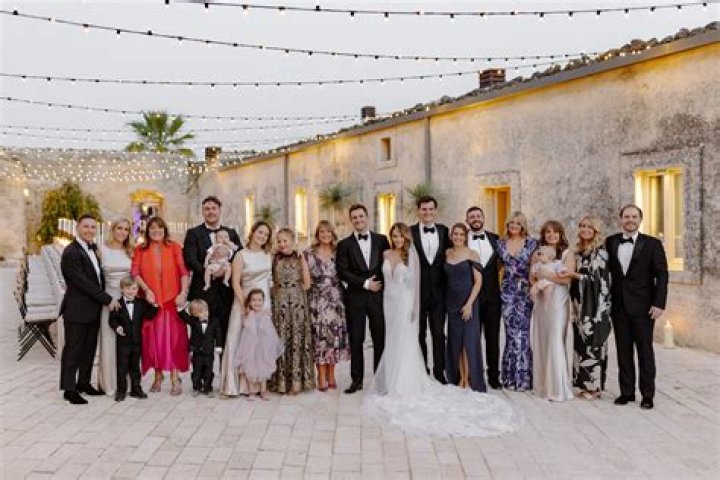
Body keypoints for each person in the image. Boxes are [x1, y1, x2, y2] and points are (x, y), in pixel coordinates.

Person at [363, 221, 519, 437]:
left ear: (406, 238)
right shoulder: (386, 254)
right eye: (395, 235)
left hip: (406, 302)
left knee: (410, 340)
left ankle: (408, 381)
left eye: (401, 236)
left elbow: (416, 284)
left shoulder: (411, 255)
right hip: (388, 303)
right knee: (392, 340)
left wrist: (415, 309)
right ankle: (391, 380)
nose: (398, 239)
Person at [606, 205, 668, 410]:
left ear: (640, 220)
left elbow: (662, 275)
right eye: (626, 216)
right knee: (623, 351)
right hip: (618, 306)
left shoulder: (652, 244)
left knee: (645, 351)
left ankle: (647, 395)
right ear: (620, 219)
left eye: (634, 216)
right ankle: (627, 392)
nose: (630, 220)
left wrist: (659, 303)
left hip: (644, 307)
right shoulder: (611, 241)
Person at [59, 214, 119, 405]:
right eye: (86, 226)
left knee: (89, 348)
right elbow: (83, 283)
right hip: (77, 309)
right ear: (77, 228)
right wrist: (107, 299)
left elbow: (98, 278)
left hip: (93, 309)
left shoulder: (92, 249)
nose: (90, 230)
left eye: (93, 227)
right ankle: (69, 389)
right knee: (73, 349)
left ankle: (84, 383)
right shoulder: (71, 252)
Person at [132, 216, 190, 396]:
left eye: (160, 228)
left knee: (173, 339)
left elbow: (184, 272)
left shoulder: (174, 247)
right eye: (152, 228)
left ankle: (175, 377)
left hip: (172, 300)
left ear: (165, 230)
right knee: (154, 340)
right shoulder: (140, 249)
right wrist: (146, 290)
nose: (156, 231)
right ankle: (158, 376)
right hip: (152, 301)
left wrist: (183, 293)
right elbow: (135, 272)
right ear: (147, 231)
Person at [336, 204, 390, 394]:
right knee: (356, 340)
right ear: (351, 220)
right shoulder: (344, 244)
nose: (358, 220)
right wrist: (365, 284)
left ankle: (380, 380)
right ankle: (356, 380)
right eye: (355, 217)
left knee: (380, 338)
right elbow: (342, 271)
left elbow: (387, 265)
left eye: (361, 216)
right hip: (355, 298)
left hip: (377, 297)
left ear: (367, 217)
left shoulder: (382, 240)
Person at [559, 215, 611, 399]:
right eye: (582, 226)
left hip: (595, 306)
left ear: (596, 231)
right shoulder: (578, 251)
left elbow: (599, 281)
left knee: (593, 343)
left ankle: (594, 387)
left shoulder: (600, 252)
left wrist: (574, 275)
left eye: (589, 227)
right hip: (579, 304)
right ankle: (582, 384)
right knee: (580, 343)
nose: (585, 229)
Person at [219, 221, 273, 398]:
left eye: (266, 235)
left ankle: (257, 385)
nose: (262, 236)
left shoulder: (268, 255)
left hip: (263, 303)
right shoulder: (241, 255)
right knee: (236, 340)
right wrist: (245, 305)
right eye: (260, 232)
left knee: (259, 345)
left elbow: (270, 280)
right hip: (243, 301)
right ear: (253, 232)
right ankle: (232, 385)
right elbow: (235, 282)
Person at [183, 196, 242, 347]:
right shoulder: (193, 233)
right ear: (203, 212)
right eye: (207, 209)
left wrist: (224, 271)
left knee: (226, 333)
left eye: (214, 208)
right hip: (202, 291)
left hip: (226, 291)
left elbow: (240, 256)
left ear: (220, 210)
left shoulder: (231, 233)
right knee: (202, 336)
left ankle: (224, 362)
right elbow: (190, 259)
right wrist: (209, 272)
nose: (210, 212)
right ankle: (203, 362)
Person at [530, 221, 575, 402]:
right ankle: (542, 386)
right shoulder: (537, 253)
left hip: (558, 302)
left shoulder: (567, 254)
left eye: (555, 232)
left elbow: (567, 279)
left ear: (561, 234)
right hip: (541, 302)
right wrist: (538, 285)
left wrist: (546, 275)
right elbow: (532, 277)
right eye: (547, 232)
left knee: (555, 340)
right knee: (542, 340)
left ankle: (557, 388)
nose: (551, 235)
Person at [304, 221, 349, 392]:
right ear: (317, 234)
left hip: (335, 301)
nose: (325, 235)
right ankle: (321, 375)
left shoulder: (339, 252)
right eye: (322, 232)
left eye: (328, 232)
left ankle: (331, 374)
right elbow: (304, 278)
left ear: (332, 234)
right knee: (319, 338)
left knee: (333, 338)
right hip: (316, 301)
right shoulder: (308, 253)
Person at [410, 196, 450, 384]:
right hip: (417, 292)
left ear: (435, 210)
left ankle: (439, 371)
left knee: (438, 333)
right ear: (418, 211)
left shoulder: (444, 231)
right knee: (418, 334)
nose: (427, 212)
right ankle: (421, 369)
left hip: (439, 292)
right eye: (424, 209)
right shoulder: (410, 232)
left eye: (430, 209)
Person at [269, 228, 314, 394]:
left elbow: (307, 283)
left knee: (296, 339)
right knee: (281, 338)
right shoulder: (274, 258)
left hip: (297, 304)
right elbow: (271, 280)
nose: (282, 244)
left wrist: (294, 292)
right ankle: (281, 382)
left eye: (285, 240)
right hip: (279, 303)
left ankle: (296, 383)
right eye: (279, 241)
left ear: (293, 241)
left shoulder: (300, 257)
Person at [496, 211, 537, 391]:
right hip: (507, 292)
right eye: (511, 223)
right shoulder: (500, 243)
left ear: (523, 226)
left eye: (518, 223)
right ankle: (509, 377)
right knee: (510, 334)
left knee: (523, 334)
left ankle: (524, 378)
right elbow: (497, 266)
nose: (514, 226)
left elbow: (535, 267)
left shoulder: (532, 243)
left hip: (524, 291)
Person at [444, 223, 486, 392]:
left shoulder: (472, 254)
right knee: (456, 342)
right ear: (451, 236)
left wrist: (469, 304)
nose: (458, 237)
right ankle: (459, 377)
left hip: (468, 302)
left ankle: (469, 379)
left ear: (465, 236)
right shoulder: (447, 253)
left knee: (468, 342)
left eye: (461, 234)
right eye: (455, 234)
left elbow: (478, 282)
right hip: (452, 303)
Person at [466, 206, 503, 389]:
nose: (476, 219)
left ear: (483, 218)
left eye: (478, 216)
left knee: (493, 339)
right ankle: (473, 375)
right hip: (470, 297)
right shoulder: (461, 240)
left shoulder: (496, 239)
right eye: (472, 217)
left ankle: (494, 376)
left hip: (493, 298)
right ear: (467, 221)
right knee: (472, 338)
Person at [97, 217, 133, 398]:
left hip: (127, 300)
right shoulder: (100, 249)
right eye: (119, 228)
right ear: (113, 229)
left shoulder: (131, 251)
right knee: (109, 340)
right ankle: (109, 383)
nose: (122, 232)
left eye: (126, 229)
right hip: (108, 301)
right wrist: (106, 299)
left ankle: (126, 383)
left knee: (126, 340)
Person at [108, 276, 158, 401]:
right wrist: (117, 328)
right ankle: (121, 391)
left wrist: (153, 304)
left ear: (137, 290)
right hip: (123, 342)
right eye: (128, 288)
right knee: (122, 367)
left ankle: (136, 389)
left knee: (135, 367)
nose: (131, 291)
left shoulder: (141, 303)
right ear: (122, 289)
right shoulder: (117, 303)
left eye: (134, 288)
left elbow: (150, 315)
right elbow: (112, 320)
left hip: (137, 341)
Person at [236, 289, 284, 400]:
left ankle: (263, 390)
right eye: (253, 300)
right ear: (249, 302)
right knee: (249, 367)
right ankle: (251, 392)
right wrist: (247, 315)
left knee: (264, 367)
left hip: (263, 346)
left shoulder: (265, 314)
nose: (257, 302)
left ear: (263, 301)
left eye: (259, 300)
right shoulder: (248, 315)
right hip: (250, 346)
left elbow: (270, 331)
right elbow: (246, 328)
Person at [178, 299, 223, 397]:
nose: (204, 313)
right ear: (194, 314)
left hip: (209, 352)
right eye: (199, 312)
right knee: (196, 372)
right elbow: (184, 317)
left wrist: (219, 346)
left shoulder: (214, 321)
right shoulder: (193, 321)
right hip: (196, 352)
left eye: (205, 310)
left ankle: (208, 388)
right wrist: (182, 307)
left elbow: (218, 334)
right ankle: (196, 387)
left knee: (208, 372)